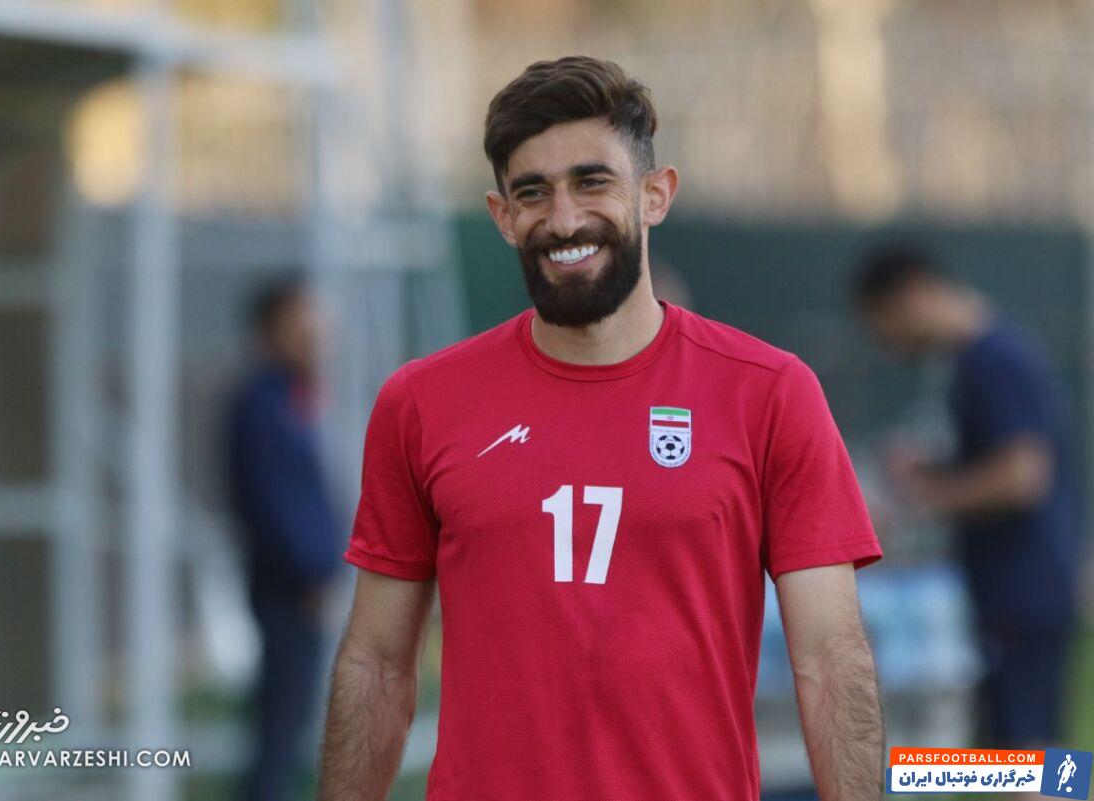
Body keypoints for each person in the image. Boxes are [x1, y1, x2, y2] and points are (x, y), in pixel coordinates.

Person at [319, 56, 884, 801]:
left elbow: (829, 657)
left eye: (592, 182)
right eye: (533, 192)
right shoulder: (421, 402)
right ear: (502, 216)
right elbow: (378, 663)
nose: (563, 219)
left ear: (655, 195)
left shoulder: (770, 393)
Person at [853, 245, 1078, 749]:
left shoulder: (993, 359)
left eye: (885, 324)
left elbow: (1023, 477)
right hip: (1014, 590)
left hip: (1020, 593)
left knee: (1026, 752)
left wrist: (924, 496)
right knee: (1004, 751)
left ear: (912, 293)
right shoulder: (980, 358)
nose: (889, 344)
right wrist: (934, 471)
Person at [226, 279, 340, 801]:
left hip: (299, 585)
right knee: (280, 726)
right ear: (274, 330)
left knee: (291, 724)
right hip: (287, 589)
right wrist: (311, 572)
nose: (317, 334)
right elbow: (272, 503)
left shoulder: (291, 398)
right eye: (302, 323)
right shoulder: (261, 405)